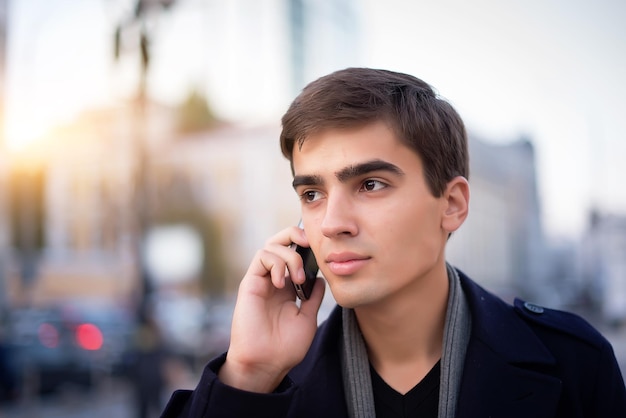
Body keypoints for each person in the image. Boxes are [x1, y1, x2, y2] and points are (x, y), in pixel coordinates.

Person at [161, 68, 626, 417]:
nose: (332, 224)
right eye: (312, 194)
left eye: (370, 185)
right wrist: (248, 373)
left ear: (452, 205)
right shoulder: (266, 390)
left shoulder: (573, 364)